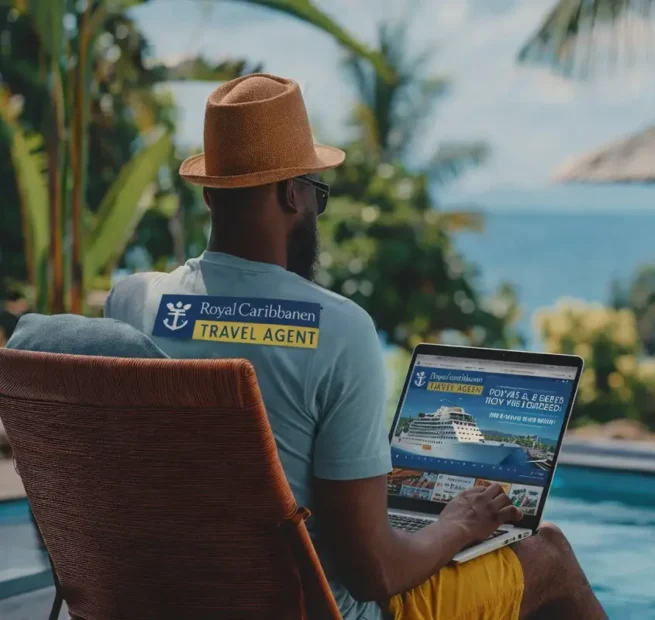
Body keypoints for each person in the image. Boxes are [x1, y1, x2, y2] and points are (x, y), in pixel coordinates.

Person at [105, 73, 605, 620]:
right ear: (292, 193)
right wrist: (459, 520)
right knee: (549, 551)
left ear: (209, 193)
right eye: (316, 192)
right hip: (319, 609)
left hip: (171, 601)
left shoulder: (133, 303)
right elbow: (375, 574)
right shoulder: (340, 329)